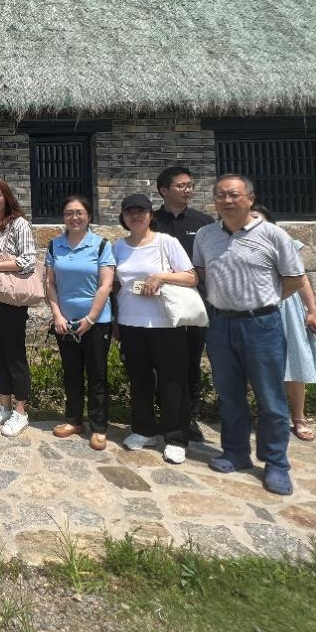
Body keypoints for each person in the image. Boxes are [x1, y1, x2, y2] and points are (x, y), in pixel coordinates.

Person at [193, 174, 305, 496]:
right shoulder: (205, 235)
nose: (227, 200)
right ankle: (235, 452)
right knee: (229, 395)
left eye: (233, 194)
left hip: (261, 325)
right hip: (220, 324)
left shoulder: (273, 234)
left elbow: (294, 279)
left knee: (270, 398)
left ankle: (276, 463)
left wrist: (264, 301)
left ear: (250, 198)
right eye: (221, 195)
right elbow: (201, 273)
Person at [111, 194, 198, 464]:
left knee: (172, 380)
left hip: (165, 322)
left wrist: (161, 276)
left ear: (151, 215)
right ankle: (144, 429)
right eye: (130, 212)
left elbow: (191, 277)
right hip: (130, 322)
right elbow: (114, 284)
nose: (136, 216)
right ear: (123, 217)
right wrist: (115, 320)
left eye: (141, 211)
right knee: (139, 379)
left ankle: (175, 437)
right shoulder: (118, 247)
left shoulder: (166, 242)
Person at [44, 196, 116, 451]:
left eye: (79, 212)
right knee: (71, 373)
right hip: (65, 323)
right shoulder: (55, 245)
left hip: (97, 322)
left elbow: (106, 285)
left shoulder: (101, 245)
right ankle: (74, 420)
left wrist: (90, 318)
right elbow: (50, 284)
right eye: (69, 213)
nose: (74, 217)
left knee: (97, 375)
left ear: (89, 216)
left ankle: (98, 427)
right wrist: (57, 315)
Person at [254, 205, 316, 442]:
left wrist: (312, 311)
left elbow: (301, 278)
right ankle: (269, 416)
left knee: (293, 362)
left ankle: (299, 417)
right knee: (262, 366)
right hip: (255, 310)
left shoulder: (285, 245)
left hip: (287, 309)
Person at [152, 166, 215, 442]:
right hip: (157, 304)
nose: (187, 190)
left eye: (190, 185)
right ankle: (164, 414)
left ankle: (189, 417)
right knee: (159, 362)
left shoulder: (204, 223)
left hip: (194, 304)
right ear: (164, 190)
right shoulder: (151, 222)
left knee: (191, 361)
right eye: (181, 185)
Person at [0, 177, 38, 437]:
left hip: (11, 296)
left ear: (6, 197)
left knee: (14, 352)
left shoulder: (18, 223)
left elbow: (29, 260)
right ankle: (4, 406)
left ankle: (21, 411)